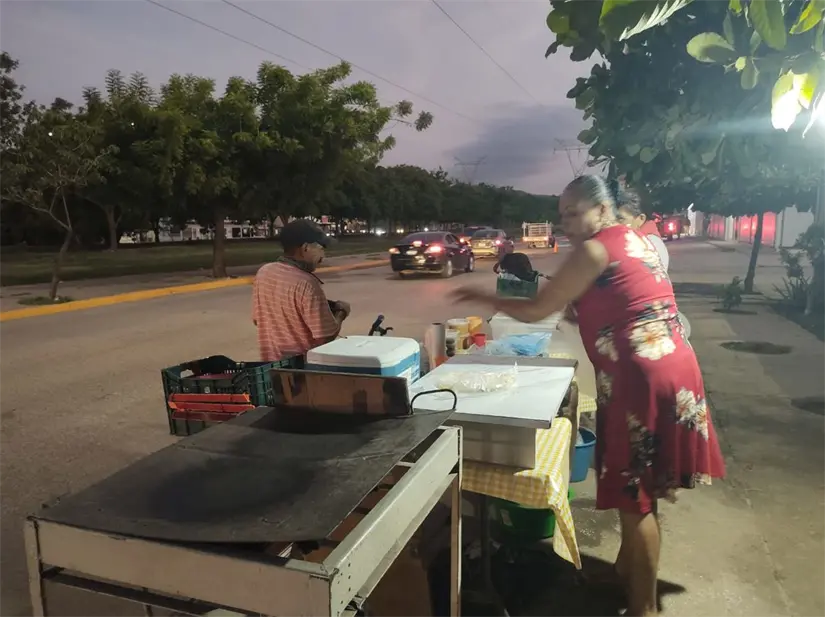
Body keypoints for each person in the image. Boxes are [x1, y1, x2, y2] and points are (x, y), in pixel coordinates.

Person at [451, 175, 724, 617]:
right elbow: (616, 300)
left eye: (574, 213)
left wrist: (483, 295)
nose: (567, 224)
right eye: (562, 215)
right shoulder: (634, 240)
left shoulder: (594, 249)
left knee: (636, 499)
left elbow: (539, 308)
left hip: (641, 379)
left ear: (602, 209)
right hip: (673, 368)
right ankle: (623, 571)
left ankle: (644, 609)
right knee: (641, 489)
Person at [252, 219, 351, 362]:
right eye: (322, 248)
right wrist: (342, 312)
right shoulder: (307, 283)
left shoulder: (264, 272)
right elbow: (325, 337)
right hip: (302, 372)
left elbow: (258, 319)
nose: (323, 256)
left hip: (271, 368)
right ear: (306, 248)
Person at [615, 187, 669, 272]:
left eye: (621, 219)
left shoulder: (649, 245)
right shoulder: (639, 240)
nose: (615, 224)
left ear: (641, 219)